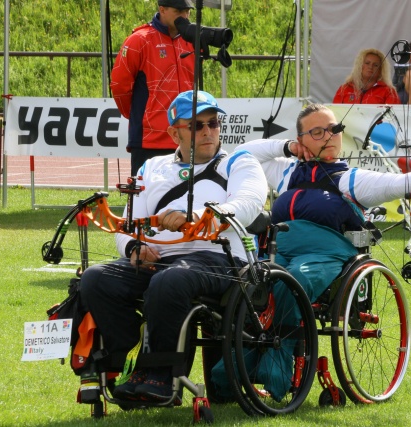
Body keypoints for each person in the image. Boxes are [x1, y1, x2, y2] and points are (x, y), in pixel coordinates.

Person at [79, 90, 268, 402]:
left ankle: (159, 377)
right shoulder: (151, 167)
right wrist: (133, 249)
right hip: (161, 262)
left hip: (220, 260)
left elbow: (247, 204)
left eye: (213, 123)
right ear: (173, 132)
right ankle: (125, 352)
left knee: (170, 279)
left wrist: (195, 217)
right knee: (95, 279)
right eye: (196, 126)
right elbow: (128, 222)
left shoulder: (239, 162)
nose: (208, 131)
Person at [232, 103, 411, 308]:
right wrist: (286, 147)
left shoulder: (351, 180)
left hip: (323, 255)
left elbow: (397, 183)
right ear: (301, 139)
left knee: (294, 279)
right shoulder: (287, 172)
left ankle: (280, 349)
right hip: (278, 250)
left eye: (333, 129)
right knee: (251, 281)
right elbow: (242, 154)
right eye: (317, 132)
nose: (329, 137)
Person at [111, 0, 197, 177]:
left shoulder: (191, 41)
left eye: (188, 11)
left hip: (186, 138)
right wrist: (139, 116)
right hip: (149, 142)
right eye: (179, 10)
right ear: (162, 9)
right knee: (144, 201)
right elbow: (119, 86)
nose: (185, 16)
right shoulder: (139, 40)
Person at [333, 48, 401, 104]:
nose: (370, 67)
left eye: (375, 65)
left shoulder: (389, 91)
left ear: (381, 70)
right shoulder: (344, 89)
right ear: (360, 66)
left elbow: (393, 118)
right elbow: (334, 114)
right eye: (367, 63)